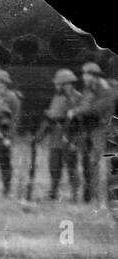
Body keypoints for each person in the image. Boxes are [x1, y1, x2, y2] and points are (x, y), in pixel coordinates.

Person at [69, 61, 117, 204]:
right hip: (91, 130)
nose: (84, 77)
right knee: (92, 164)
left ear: (95, 76)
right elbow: (83, 104)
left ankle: (110, 200)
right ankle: (95, 199)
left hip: (106, 131)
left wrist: (77, 111)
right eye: (84, 74)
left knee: (106, 166)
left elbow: (98, 108)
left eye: (87, 74)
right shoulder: (89, 89)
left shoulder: (107, 89)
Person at [38, 69, 83, 202]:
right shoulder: (57, 97)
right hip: (56, 136)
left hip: (70, 136)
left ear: (67, 84)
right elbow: (51, 116)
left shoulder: (77, 97)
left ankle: (75, 195)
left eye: (59, 84)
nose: (56, 87)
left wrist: (74, 141)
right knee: (54, 166)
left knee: (71, 167)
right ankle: (53, 193)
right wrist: (40, 135)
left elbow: (79, 121)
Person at [0, 69, 22, 197]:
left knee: (4, 164)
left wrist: (9, 138)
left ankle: (6, 189)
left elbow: (15, 120)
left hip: (3, 136)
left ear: (3, 83)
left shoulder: (12, 97)